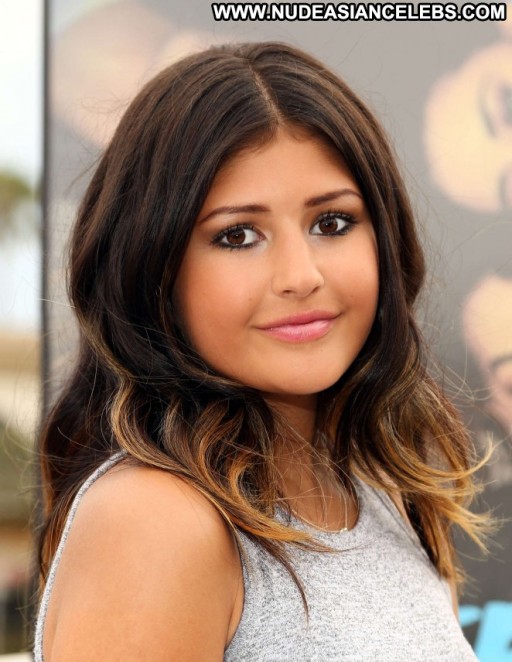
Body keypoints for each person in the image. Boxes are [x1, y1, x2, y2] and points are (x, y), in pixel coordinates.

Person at [34, 41, 492, 660]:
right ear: (154, 268)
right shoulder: (154, 518)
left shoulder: (385, 495)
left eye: (331, 223)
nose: (300, 276)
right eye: (238, 235)